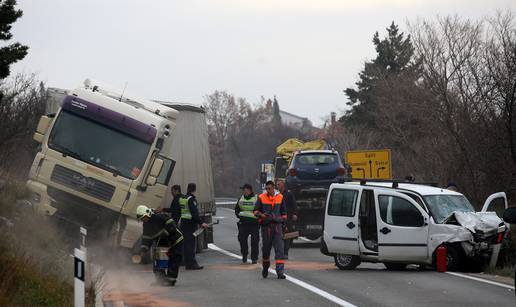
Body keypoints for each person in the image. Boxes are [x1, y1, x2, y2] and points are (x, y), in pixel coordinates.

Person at [137, 205, 183, 285]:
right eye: (141, 219)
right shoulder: (146, 224)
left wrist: (167, 231)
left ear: (148, 214)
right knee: (158, 260)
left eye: (143, 217)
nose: (143, 220)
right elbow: (146, 238)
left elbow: (171, 223)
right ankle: (160, 279)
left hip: (174, 240)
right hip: (162, 242)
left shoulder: (159, 217)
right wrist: (143, 249)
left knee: (174, 259)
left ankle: (171, 279)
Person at [254, 180, 287, 279]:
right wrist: (262, 215)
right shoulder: (261, 197)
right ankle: (265, 268)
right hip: (266, 227)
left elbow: (284, 214)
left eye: (269, 188)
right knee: (266, 250)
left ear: (273, 188)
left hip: (277, 227)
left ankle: (280, 272)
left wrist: (281, 220)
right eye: (266, 189)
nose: (267, 190)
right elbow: (255, 211)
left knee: (280, 250)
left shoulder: (280, 197)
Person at [180, 183, 208, 270]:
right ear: (194, 190)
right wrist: (201, 223)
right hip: (190, 224)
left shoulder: (182, 199)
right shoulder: (191, 200)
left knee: (186, 244)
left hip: (183, 223)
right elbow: (194, 213)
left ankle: (186, 262)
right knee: (191, 245)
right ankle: (192, 264)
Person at [234, 183, 259, 264]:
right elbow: (237, 210)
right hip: (243, 223)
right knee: (242, 241)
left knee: (254, 242)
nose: (244, 192)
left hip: (254, 224)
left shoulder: (256, 199)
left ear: (250, 190)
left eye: (245, 190)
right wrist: (240, 216)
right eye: (243, 190)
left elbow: (260, 209)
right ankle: (244, 254)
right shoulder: (241, 199)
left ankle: (254, 258)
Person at [276, 179, 297, 259]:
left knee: (287, 236)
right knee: (279, 236)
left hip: (288, 217)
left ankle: (285, 253)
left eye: (279, 184)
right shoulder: (277, 195)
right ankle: (280, 252)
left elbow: (294, 204)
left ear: (283, 185)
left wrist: (295, 214)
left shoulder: (288, 193)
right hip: (279, 217)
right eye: (277, 184)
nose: (277, 186)